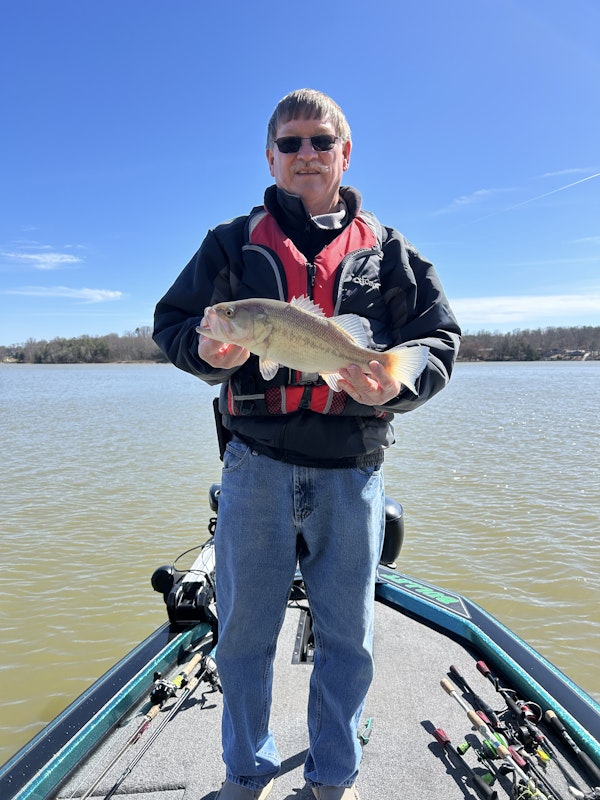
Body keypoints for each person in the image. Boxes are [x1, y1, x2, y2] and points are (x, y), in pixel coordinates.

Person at [153, 89, 461, 800]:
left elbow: (438, 340)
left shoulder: (390, 251)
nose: (306, 155)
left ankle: (333, 776)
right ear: (270, 157)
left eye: (321, 142)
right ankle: (246, 771)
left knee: (348, 639)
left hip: (352, 472)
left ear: (344, 154)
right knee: (242, 635)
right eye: (290, 143)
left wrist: (398, 386)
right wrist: (206, 350)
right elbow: (173, 323)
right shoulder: (229, 243)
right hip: (253, 468)